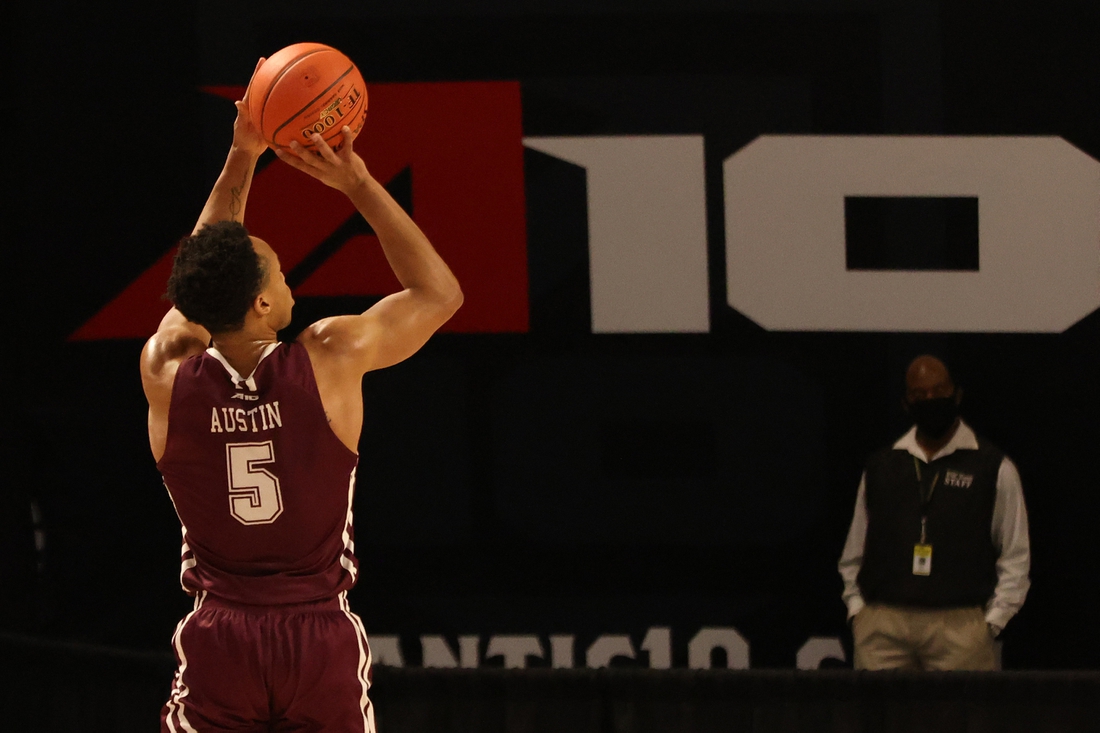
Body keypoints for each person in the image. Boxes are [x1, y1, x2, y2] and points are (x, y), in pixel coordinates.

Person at [140, 60, 462, 731]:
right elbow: (439, 294)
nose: (290, 277)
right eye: (280, 270)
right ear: (263, 302)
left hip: (219, 635)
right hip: (316, 633)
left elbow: (198, 276)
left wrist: (242, 154)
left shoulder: (166, 371)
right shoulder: (330, 357)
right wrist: (359, 183)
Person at [837, 355, 1030, 671]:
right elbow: (854, 550)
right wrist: (858, 611)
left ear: (956, 394)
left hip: (960, 628)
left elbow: (1015, 554)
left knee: (956, 721)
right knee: (882, 720)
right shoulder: (881, 466)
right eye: (919, 395)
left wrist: (991, 624)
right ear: (905, 403)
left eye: (939, 391)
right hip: (883, 626)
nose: (930, 400)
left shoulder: (993, 467)